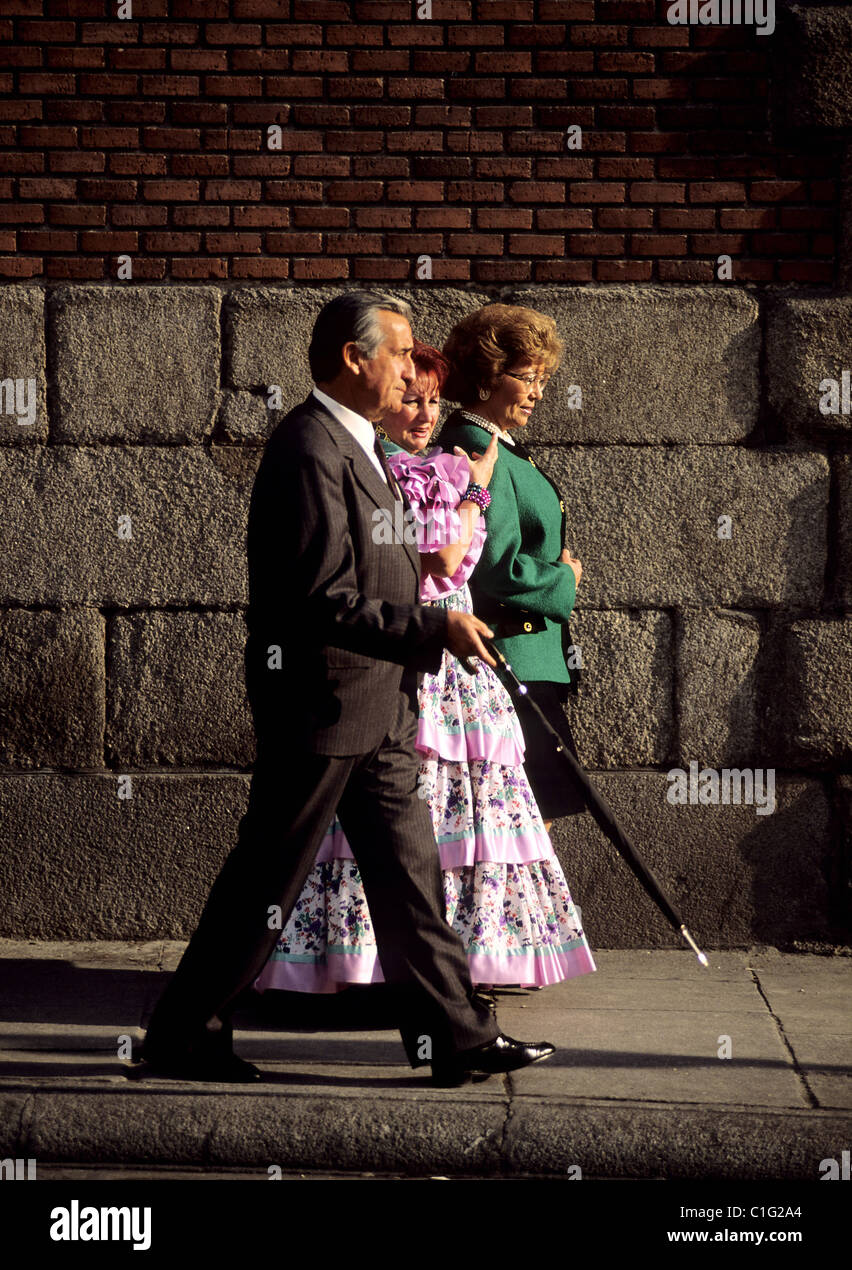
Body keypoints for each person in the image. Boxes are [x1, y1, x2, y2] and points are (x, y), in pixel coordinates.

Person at [139, 290, 555, 1087]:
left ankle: (459, 1037)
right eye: (399, 352)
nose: (411, 368)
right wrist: (434, 629)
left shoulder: (357, 442)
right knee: (265, 876)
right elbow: (319, 594)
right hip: (323, 705)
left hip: (381, 702)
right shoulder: (308, 447)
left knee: (410, 877)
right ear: (352, 359)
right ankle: (181, 1034)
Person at [254, 341, 595, 999]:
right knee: (389, 821)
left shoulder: (434, 464)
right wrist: (473, 496)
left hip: (452, 654)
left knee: (457, 814)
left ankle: (456, 975)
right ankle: (367, 969)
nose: (423, 412)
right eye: (411, 397)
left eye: (432, 401)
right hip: (408, 649)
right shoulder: (382, 465)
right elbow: (443, 559)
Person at [437, 303, 588, 823]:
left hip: (531, 660)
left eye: (544, 379)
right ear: (488, 378)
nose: (539, 393)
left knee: (527, 832)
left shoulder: (501, 446)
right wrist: (563, 580)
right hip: (511, 661)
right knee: (526, 834)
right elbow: (493, 566)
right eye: (528, 378)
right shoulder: (479, 448)